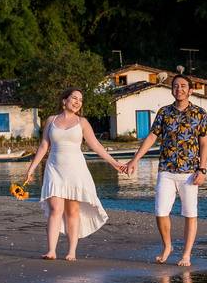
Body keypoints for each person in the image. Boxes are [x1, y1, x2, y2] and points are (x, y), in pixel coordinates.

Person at [23, 88, 128, 261]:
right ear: (64, 100)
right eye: (74, 98)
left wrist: (115, 163)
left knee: (72, 210)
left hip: (76, 170)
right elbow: (43, 146)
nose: (78, 102)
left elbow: (96, 145)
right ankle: (51, 250)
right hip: (54, 168)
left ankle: (71, 251)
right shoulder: (51, 120)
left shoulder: (82, 122)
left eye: (80, 99)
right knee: (55, 209)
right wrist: (31, 168)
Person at [126, 74, 207, 266]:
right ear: (172, 90)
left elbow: (204, 143)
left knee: (190, 213)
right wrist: (134, 160)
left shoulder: (199, 113)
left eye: (183, 86)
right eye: (175, 86)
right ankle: (167, 246)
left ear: (190, 90)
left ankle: (186, 254)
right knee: (160, 211)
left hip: (190, 171)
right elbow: (151, 138)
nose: (179, 89)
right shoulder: (164, 113)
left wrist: (202, 169)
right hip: (166, 169)